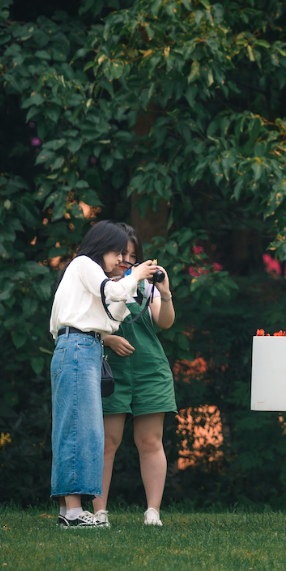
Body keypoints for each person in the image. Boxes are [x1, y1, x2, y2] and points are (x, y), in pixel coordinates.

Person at [48, 220, 160, 528]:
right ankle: (73, 512)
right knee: (78, 431)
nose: (122, 261)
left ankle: (68, 510)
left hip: (82, 348)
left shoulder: (91, 274)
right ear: (102, 246)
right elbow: (110, 292)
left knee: (78, 430)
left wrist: (132, 287)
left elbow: (112, 316)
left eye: (127, 256)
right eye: (119, 253)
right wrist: (133, 275)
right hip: (78, 347)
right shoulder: (84, 264)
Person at [94, 225, 177, 527]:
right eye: (122, 254)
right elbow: (82, 323)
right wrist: (107, 339)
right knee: (106, 442)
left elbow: (164, 323)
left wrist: (165, 292)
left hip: (150, 369)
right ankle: (99, 511)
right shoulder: (98, 283)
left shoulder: (147, 286)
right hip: (110, 370)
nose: (127, 260)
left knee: (151, 441)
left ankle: (152, 512)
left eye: (133, 255)